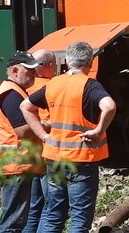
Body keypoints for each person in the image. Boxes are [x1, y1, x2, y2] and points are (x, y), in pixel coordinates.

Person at [20, 42, 116, 233]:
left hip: (55, 159)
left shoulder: (53, 83)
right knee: (79, 219)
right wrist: (97, 131)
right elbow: (110, 106)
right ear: (90, 61)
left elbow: (26, 106)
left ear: (67, 61)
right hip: (81, 160)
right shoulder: (89, 86)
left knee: (53, 213)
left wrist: (42, 135)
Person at [0, 51, 41, 233]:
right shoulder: (12, 95)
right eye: (29, 70)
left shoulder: (13, 91)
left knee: (14, 218)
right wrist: (44, 126)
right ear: (15, 70)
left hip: (15, 163)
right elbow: (23, 131)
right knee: (12, 222)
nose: (34, 75)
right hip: (17, 164)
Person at [22, 49, 56, 233]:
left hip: (30, 154)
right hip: (46, 154)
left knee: (34, 206)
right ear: (49, 66)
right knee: (50, 205)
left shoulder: (25, 87)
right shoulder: (48, 88)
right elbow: (48, 121)